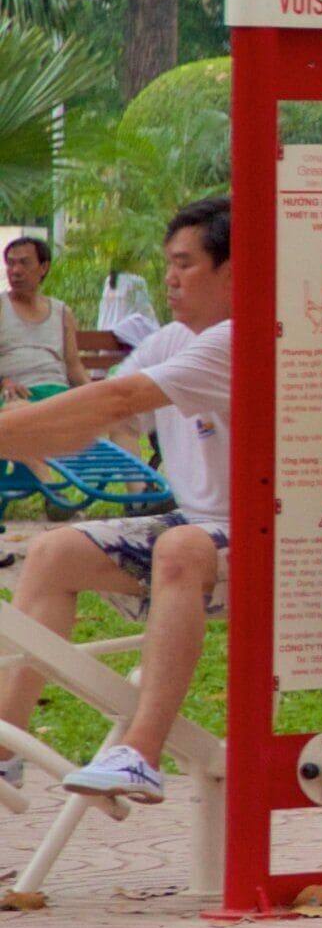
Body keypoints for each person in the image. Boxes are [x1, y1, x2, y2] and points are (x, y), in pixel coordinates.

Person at [0, 201, 236, 803]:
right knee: (52, 551)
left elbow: (109, 404)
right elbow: (101, 417)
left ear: (234, 270)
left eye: (185, 265)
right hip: (198, 523)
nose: (171, 279)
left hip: (268, 534)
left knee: (181, 547)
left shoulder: (239, 338)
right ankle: (5, 750)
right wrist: (25, 437)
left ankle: (142, 753)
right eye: (168, 265)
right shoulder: (175, 338)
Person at [2, 233, 80, 397]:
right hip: (15, 394)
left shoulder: (62, 312)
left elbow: (74, 367)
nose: (15, 271)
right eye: (10, 263)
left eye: (24, 263)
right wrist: (3, 383)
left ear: (43, 267)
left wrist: (98, 396)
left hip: (58, 393)